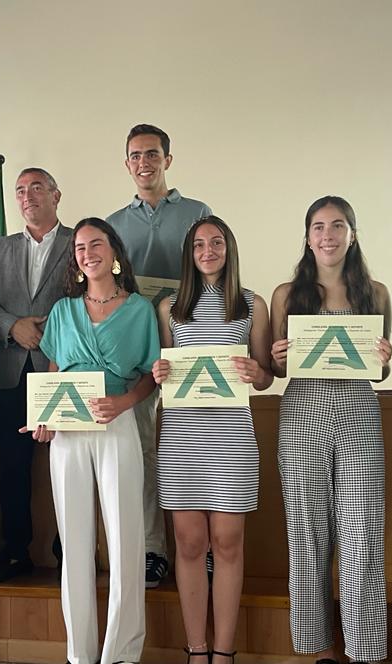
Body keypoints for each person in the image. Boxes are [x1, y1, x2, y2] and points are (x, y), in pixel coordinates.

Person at [27, 218, 159, 664]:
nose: (87, 253)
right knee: (75, 544)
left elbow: (149, 377)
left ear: (113, 251)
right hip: (67, 432)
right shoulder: (63, 311)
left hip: (117, 425)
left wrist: (124, 403)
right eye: (80, 248)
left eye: (95, 244)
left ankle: (121, 652)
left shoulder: (140, 309)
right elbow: (52, 370)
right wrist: (43, 416)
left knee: (125, 540)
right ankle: (79, 654)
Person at [270, 196, 392, 664]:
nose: (328, 235)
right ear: (307, 237)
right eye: (318, 227)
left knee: (363, 534)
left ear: (352, 234)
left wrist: (382, 359)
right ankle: (318, 649)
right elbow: (274, 370)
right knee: (306, 534)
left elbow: (380, 375)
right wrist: (278, 359)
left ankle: (365, 651)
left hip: (359, 418)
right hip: (301, 418)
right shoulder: (286, 294)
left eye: (337, 226)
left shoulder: (375, 292)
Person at [151, 216, 273, 664]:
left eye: (216, 242)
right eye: (199, 244)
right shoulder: (169, 308)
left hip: (232, 437)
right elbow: (161, 372)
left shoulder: (252, 304)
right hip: (182, 437)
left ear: (229, 248)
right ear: (189, 253)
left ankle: (224, 651)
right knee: (187, 543)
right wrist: (159, 372)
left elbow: (264, 376)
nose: (208, 250)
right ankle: (196, 650)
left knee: (227, 542)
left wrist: (257, 372)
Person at [106, 123, 211, 587]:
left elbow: (212, 271)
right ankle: (154, 548)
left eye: (152, 154)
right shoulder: (114, 224)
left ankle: (204, 547)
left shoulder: (196, 211)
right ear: (127, 163)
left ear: (167, 160)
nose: (143, 162)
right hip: (138, 352)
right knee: (146, 449)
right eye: (135, 155)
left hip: (192, 348)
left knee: (203, 445)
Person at [0, 167, 72, 583]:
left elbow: (89, 296)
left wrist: (58, 327)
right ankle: (16, 552)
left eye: (36, 187)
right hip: (10, 371)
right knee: (13, 467)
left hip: (63, 368)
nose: (27, 195)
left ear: (56, 194)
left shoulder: (78, 242)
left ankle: (70, 550)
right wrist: (13, 325)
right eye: (19, 191)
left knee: (69, 465)